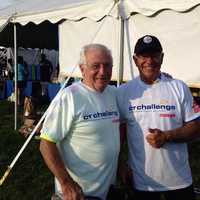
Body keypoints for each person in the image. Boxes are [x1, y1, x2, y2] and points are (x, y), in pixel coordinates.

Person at [117, 35, 200, 200]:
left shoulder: (179, 87)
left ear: (162, 57)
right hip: (142, 183)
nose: (149, 61)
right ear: (135, 60)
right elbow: (117, 133)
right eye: (143, 56)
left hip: (179, 181)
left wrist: (167, 136)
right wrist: (119, 165)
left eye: (154, 55)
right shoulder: (123, 92)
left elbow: (196, 127)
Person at [39, 44, 120, 200]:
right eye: (96, 66)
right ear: (82, 69)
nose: (102, 72)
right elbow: (46, 143)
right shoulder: (69, 97)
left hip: (107, 190)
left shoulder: (113, 93)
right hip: (79, 193)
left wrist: (160, 78)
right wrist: (66, 183)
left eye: (107, 65)